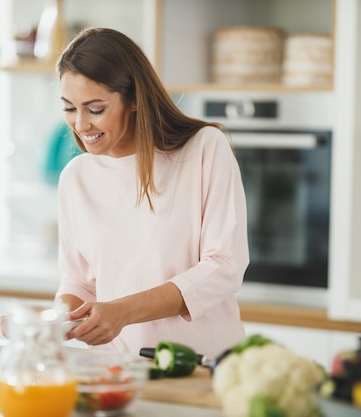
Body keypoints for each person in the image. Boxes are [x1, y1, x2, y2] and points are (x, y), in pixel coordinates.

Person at [54, 27, 249, 359]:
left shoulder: (203, 148)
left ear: (133, 100)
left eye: (95, 108)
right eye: (70, 108)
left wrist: (122, 312)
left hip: (205, 367)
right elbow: (79, 281)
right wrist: (51, 324)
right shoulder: (76, 177)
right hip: (120, 368)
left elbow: (224, 265)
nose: (81, 125)